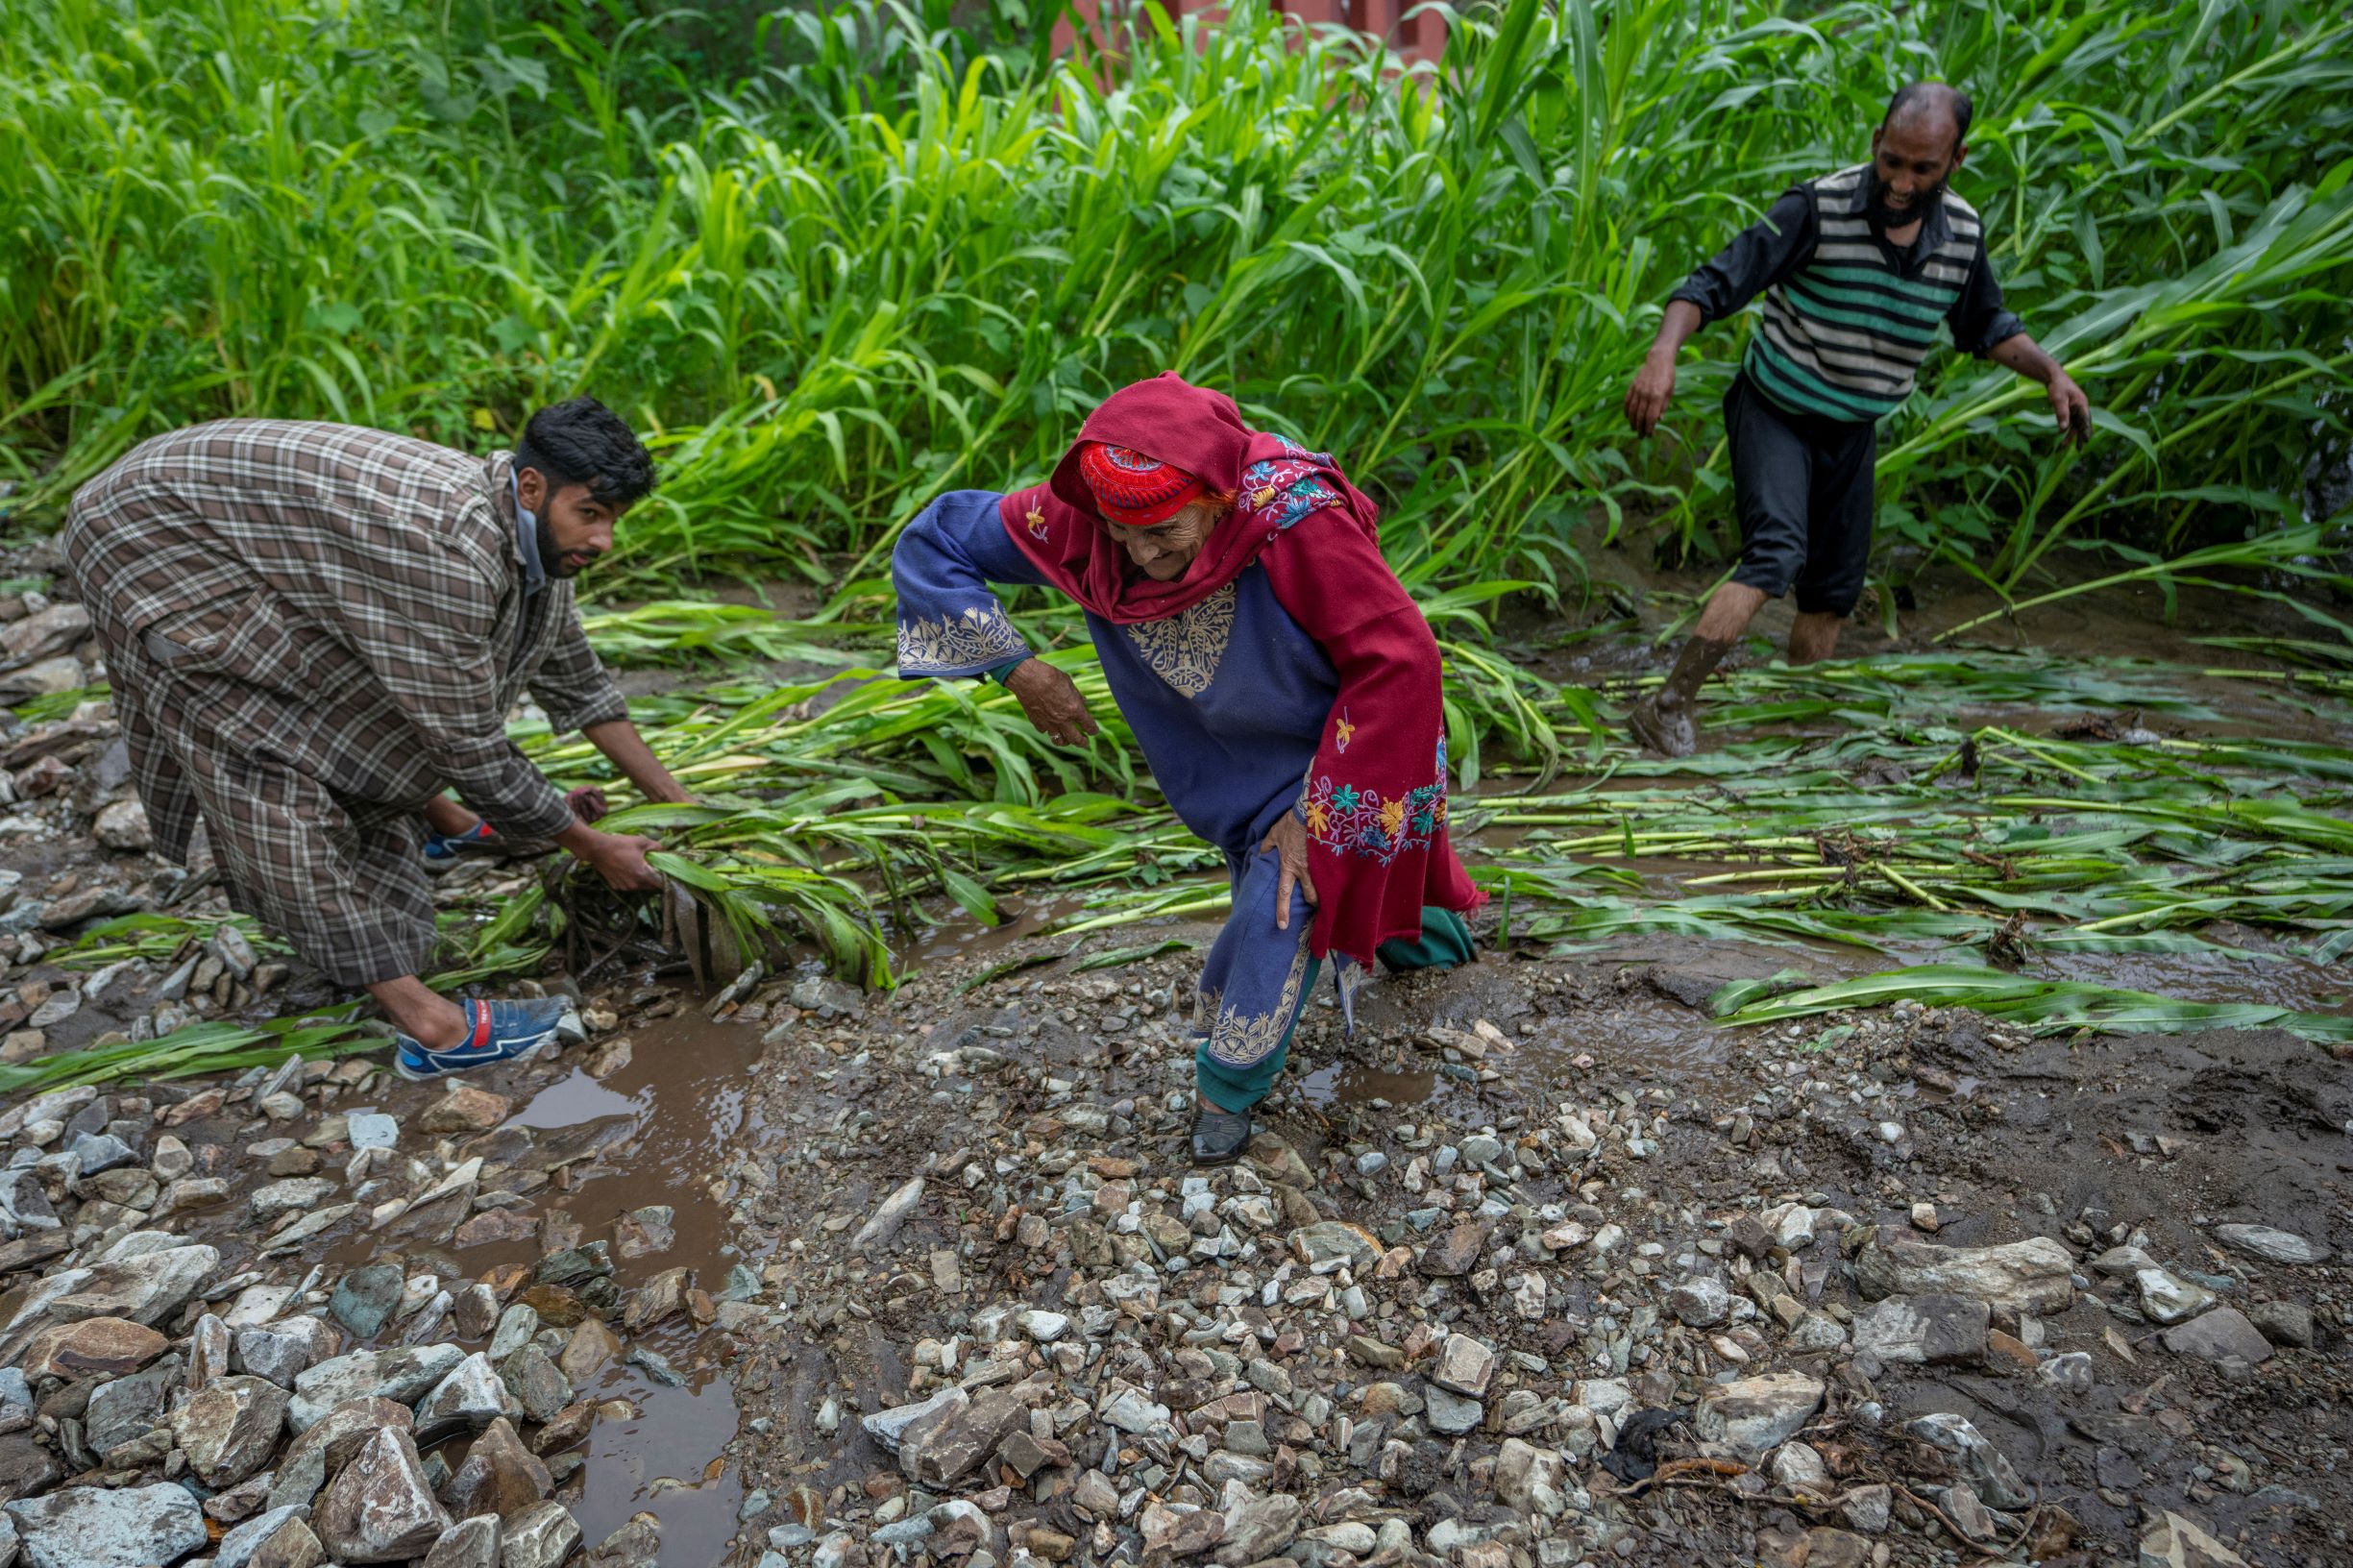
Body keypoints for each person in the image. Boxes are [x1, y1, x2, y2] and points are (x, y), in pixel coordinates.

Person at [893, 373, 1483, 1164]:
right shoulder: (1082, 523)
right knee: (1345, 879)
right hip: (1223, 765)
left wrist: (1317, 808)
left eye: (1161, 531)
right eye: (1119, 533)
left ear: (1215, 497)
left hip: (1347, 740)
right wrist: (1018, 669)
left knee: (1286, 897)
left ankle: (1225, 1094)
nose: (1136, 552)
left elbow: (1399, 661)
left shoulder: (1296, 522)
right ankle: (1441, 970)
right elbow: (936, 539)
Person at [62, 398, 695, 1078]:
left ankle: (445, 821)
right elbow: (466, 741)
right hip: (152, 529)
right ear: (532, 487)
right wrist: (591, 846)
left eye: (612, 522)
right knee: (257, 738)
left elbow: (580, 686)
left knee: (372, 682)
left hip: (249, 520)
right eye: (590, 515)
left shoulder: (537, 540)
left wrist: (683, 806)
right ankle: (432, 1027)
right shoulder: (452, 551)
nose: (603, 541)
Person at [1623, 82, 2093, 755]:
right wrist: (1662, 353)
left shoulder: (1958, 234)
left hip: (1852, 427)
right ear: (1876, 143)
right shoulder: (1815, 207)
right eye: (1890, 161)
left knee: (1832, 594)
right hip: (1776, 409)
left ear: (1954, 162)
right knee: (1774, 554)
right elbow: (1710, 284)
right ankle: (1665, 705)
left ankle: (1798, 725)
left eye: (1920, 169)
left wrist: (2051, 373)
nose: (1900, 182)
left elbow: (1984, 323)